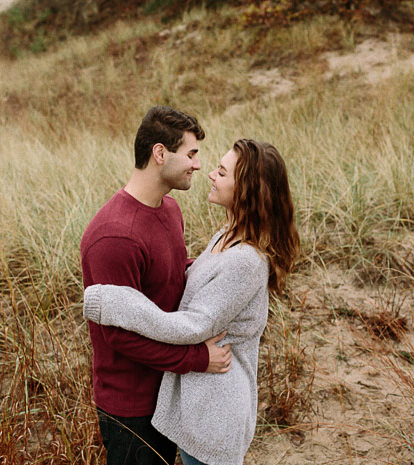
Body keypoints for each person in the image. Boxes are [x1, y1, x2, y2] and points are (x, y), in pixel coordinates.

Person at [83, 139, 300, 465]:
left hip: (215, 412)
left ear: (246, 190)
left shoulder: (245, 260)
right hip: (198, 404)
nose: (209, 173)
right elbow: (198, 282)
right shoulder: (227, 233)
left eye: (222, 172)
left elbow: (194, 325)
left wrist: (116, 303)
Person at [78, 105, 234, 465]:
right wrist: (196, 358)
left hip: (168, 392)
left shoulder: (168, 209)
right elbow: (119, 334)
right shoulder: (114, 236)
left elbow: (172, 277)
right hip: (131, 409)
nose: (198, 165)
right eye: (191, 154)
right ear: (160, 153)